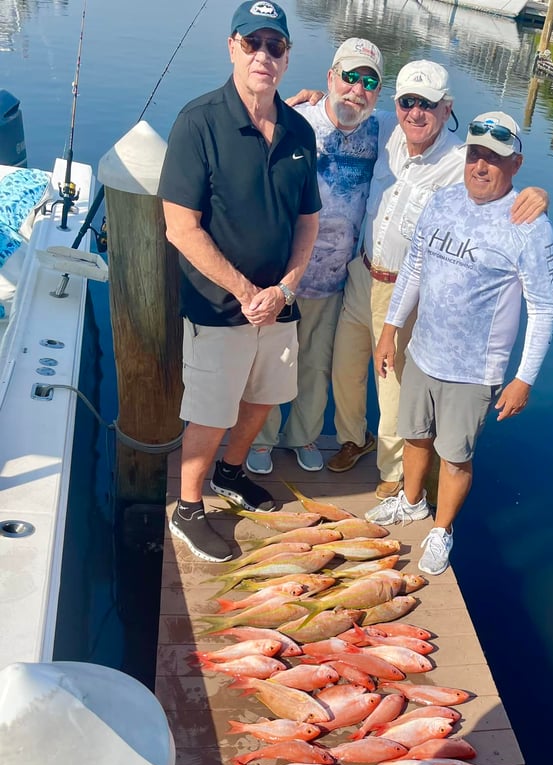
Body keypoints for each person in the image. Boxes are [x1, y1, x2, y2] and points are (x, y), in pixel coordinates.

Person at [327, 61, 549, 501]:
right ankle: (353, 438)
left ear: (447, 109)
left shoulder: (460, 158)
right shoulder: (387, 128)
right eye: (407, 102)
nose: (416, 113)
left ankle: (394, 475)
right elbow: (348, 108)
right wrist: (314, 98)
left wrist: (538, 195)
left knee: (392, 384)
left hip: (405, 290)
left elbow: (501, 188)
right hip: (361, 271)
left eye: (427, 104)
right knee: (345, 369)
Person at [158, 1, 321, 562]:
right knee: (210, 409)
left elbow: (308, 222)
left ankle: (231, 473)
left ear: (286, 56)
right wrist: (247, 293)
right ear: (232, 47)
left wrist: (286, 289)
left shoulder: (300, 130)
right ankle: (188, 508)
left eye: (274, 47)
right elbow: (180, 227)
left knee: (262, 398)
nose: (263, 56)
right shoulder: (197, 122)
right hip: (218, 308)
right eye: (252, 44)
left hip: (279, 305)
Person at [365, 112, 553, 576]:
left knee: (455, 456)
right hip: (422, 352)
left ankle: (442, 530)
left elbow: (544, 309)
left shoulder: (530, 227)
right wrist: (391, 328)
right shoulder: (443, 200)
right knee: (414, 433)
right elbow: (414, 265)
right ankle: (411, 502)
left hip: (474, 371)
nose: (481, 166)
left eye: (495, 158)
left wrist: (523, 378)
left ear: (516, 165)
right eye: (475, 154)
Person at [246, 37, 384, 477]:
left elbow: (440, 137)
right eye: (348, 76)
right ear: (330, 78)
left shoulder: (382, 131)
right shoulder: (295, 121)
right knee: (269, 363)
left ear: (377, 93)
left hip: (334, 281)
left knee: (315, 366)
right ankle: (262, 439)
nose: (356, 89)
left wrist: (522, 190)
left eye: (368, 81)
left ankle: (303, 435)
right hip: (283, 275)